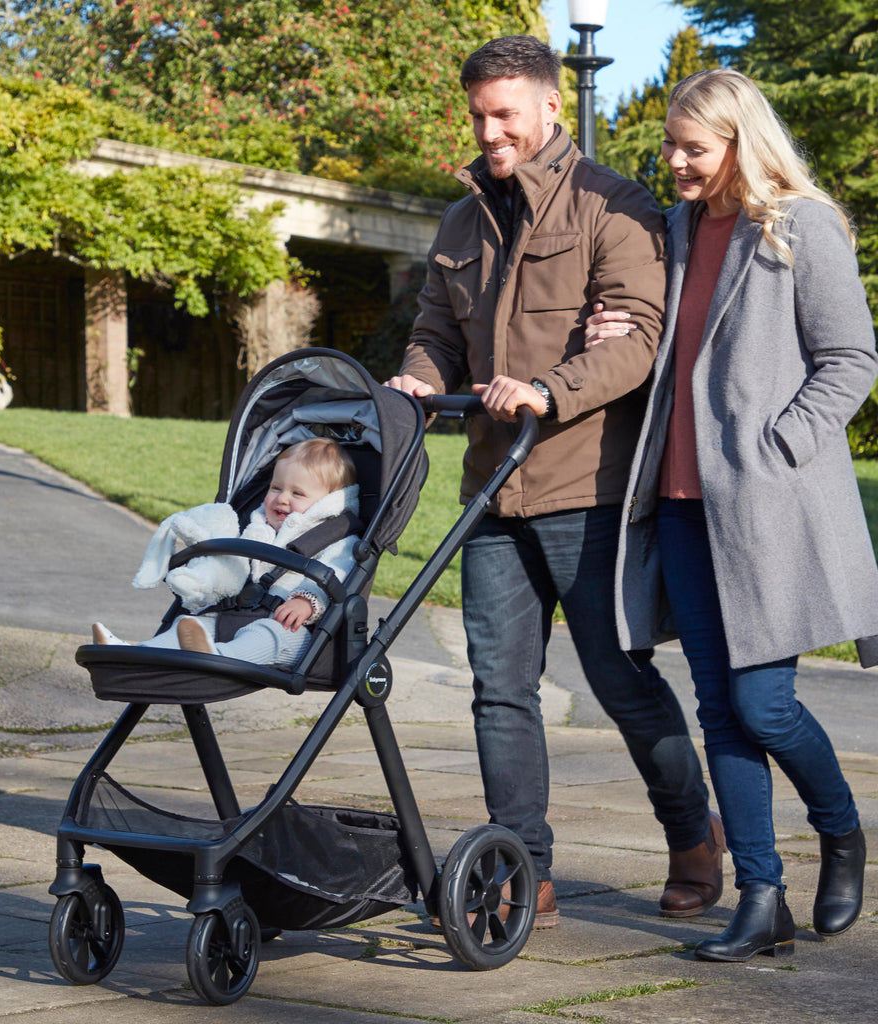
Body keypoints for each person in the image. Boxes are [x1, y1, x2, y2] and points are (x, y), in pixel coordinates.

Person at [385, 35, 719, 930]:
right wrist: (420, 375)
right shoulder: (462, 223)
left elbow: (638, 339)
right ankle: (519, 865)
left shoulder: (615, 204)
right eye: (479, 117)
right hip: (493, 489)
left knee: (618, 679)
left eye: (505, 115)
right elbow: (434, 330)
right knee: (499, 684)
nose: (491, 133)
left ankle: (693, 835)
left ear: (549, 109)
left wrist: (547, 389)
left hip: (589, 485)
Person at [587, 68, 877, 962]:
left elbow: (852, 360)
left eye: (692, 148)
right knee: (720, 710)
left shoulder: (801, 226)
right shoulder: (672, 229)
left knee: (766, 703)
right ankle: (761, 895)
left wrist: (779, 444)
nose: (673, 161)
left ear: (739, 145)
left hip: (767, 508)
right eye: (669, 144)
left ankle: (841, 831)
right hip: (678, 507)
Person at [93, 437, 360, 666]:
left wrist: (307, 601)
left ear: (326, 502)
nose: (282, 498)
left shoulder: (335, 537)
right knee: (189, 627)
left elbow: (338, 572)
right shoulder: (255, 525)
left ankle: (215, 656)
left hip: (294, 630)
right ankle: (134, 655)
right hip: (234, 615)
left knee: (267, 634)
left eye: (297, 493)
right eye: (276, 488)